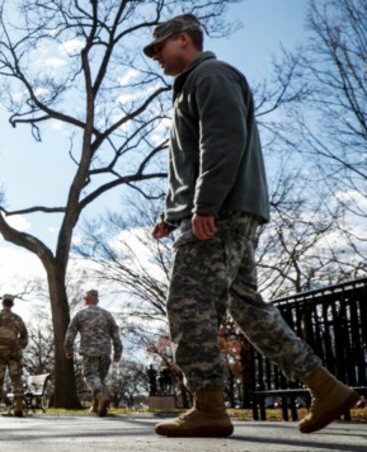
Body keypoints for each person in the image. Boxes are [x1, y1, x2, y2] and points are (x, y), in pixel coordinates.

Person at [144, 13, 359, 437]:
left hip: (217, 214)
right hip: (222, 211)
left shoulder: (211, 75)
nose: (156, 58)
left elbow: (223, 141)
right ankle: (326, 387)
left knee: (189, 306)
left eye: (159, 49)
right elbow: (193, 159)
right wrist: (173, 214)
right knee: (248, 308)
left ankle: (208, 407)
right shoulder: (197, 84)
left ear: (183, 40)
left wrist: (204, 206)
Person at [64, 289, 122, 417]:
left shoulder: (80, 314)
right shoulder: (107, 314)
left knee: (90, 376)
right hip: (105, 351)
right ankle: (96, 407)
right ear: (97, 300)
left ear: (86, 299)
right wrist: (118, 351)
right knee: (99, 379)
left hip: (89, 351)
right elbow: (115, 333)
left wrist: (68, 349)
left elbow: (71, 333)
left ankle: (101, 398)